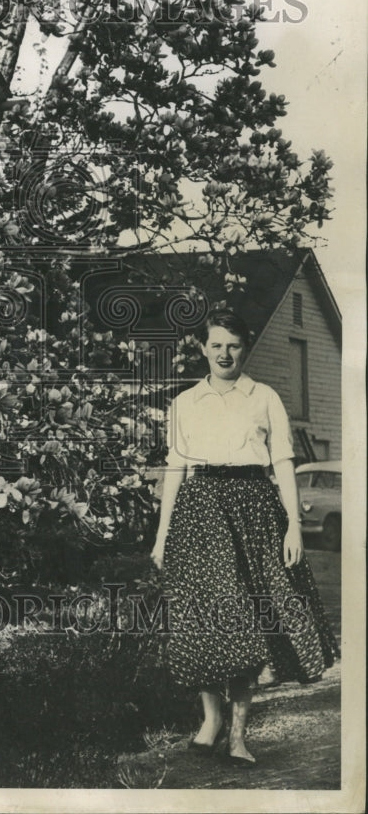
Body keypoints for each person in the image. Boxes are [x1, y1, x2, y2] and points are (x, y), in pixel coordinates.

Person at [150, 308, 339, 767]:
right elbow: (175, 469)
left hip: (255, 510)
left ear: (244, 347)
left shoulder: (265, 397)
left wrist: (293, 524)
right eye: (216, 344)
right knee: (207, 621)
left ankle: (236, 737)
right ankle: (210, 722)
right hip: (200, 513)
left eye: (233, 345)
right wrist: (161, 536)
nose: (224, 353)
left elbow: (283, 465)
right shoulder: (186, 402)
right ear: (203, 348)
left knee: (249, 621)